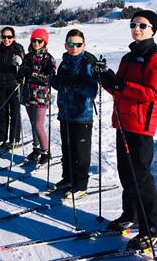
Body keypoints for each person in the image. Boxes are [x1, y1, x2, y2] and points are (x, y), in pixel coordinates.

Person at [93, 10, 157, 250]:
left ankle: (153, 229)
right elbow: (118, 90)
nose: (137, 28)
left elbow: (152, 94)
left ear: (153, 29)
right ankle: (131, 214)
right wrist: (105, 79)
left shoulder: (156, 57)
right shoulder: (127, 57)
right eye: (133, 24)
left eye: (143, 26)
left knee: (141, 176)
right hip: (123, 121)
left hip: (141, 125)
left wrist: (121, 84)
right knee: (126, 172)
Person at [50, 29, 98, 200]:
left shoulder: (88, 63)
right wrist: (55, 81)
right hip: (65, 112)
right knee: (67, 149)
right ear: (65, 45)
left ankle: (81, 185)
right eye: (70, 44)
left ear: (83, 45)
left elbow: (92, 91)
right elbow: (62, 86)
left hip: (81, 114)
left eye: (78, 44)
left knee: (80, 152)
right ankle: (68, 179)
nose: (74, 48)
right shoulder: (64, 62)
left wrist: (75, 83)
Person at [18, 28, 56, 166]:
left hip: (41, 95)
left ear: (44, 42)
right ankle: (36, 149)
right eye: (34, 40)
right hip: (28, 93)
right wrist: (20, 74)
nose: (36, 43)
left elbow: (49, 78)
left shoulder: (48, 58)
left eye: (39, 41)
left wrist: (32, 74)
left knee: (38, 125)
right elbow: (23, 71)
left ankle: (46, 152)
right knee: (33, 123)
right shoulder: (28, 57)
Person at [0, 26, 25, 151]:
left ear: (13, 37)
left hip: (14, 85)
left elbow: (24, 68)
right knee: (2, 113)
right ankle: (1, 138)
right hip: (1, 85)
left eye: (9, 37)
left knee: (14, 113)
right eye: (4, 37)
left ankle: (14, 139)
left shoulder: (18, 49)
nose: (6, 39)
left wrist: (20, 63)